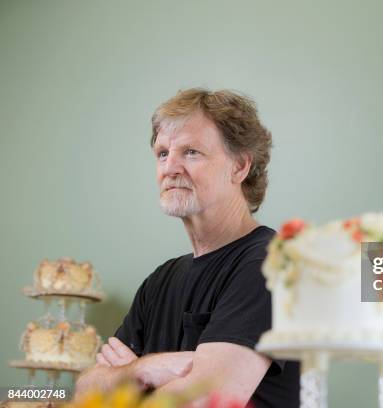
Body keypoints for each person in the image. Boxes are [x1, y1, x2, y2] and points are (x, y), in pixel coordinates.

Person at [75, 88, 300, 407]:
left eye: (191, 152)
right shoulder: (160, 280)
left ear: (239, 167)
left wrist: (126, 380)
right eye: (162, 153)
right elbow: (86, 392)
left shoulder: (271, 264)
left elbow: (205, 401)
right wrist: (147, 369)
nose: (170, 168)